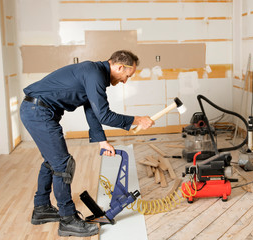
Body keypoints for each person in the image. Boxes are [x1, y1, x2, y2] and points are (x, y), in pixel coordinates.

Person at [20, 50, 154, 237]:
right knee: (62, 165)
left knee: (52, 161)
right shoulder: (95, 74)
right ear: (120, 67)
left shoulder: (94, 73)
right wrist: (137, 120)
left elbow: (91, 109)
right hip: (38, 111)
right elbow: (104, 115)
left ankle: (41, 208)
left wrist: (102, 142)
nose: (125, 81)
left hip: (36, 110)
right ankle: (68, 220)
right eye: (126, 76)